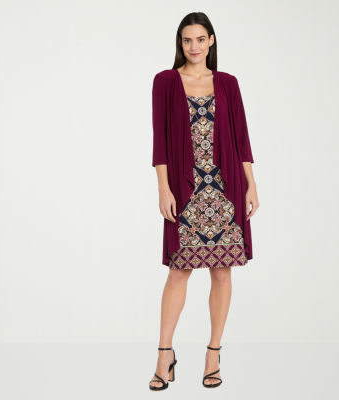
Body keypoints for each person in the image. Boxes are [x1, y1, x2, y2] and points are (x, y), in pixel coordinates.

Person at [149, 12, 259, 391]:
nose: (194, 47)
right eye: (187, 40)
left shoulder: (228, 83)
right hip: (186, 190)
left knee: (222, 271)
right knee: (179, 271)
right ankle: (164, 354)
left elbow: (241, 138)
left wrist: (251, 185)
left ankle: (213, 354)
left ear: (211, 41)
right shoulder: (165, 82)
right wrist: (163, 189)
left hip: (225, 190)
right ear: (180, 44)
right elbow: (160, 140)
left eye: (200, 39)